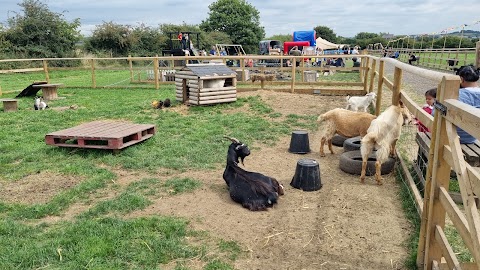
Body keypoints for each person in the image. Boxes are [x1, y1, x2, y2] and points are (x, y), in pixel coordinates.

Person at [455, 65, 480, 144]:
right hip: (475, 137)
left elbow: (434, 114)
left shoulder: (458, 94)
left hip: (457, 137)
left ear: (461, 79)